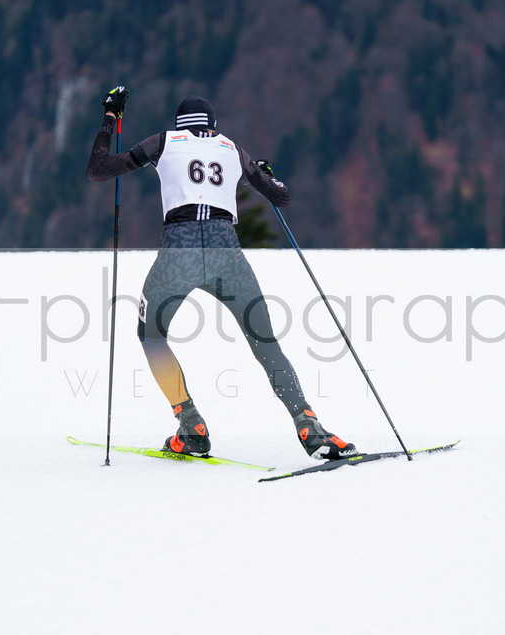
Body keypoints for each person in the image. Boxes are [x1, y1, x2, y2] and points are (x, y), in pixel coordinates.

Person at [87, 86, 356, 460]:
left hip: (177, 251)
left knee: (150, 334)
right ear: (213, 127)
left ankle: (191, 424)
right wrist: (262, 174)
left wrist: (111, 117)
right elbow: (281, 196)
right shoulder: (231, 149)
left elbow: (99, 169)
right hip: (226, 251)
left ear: (180, 124)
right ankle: (308, 423)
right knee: (265, 341)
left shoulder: (162, 142)